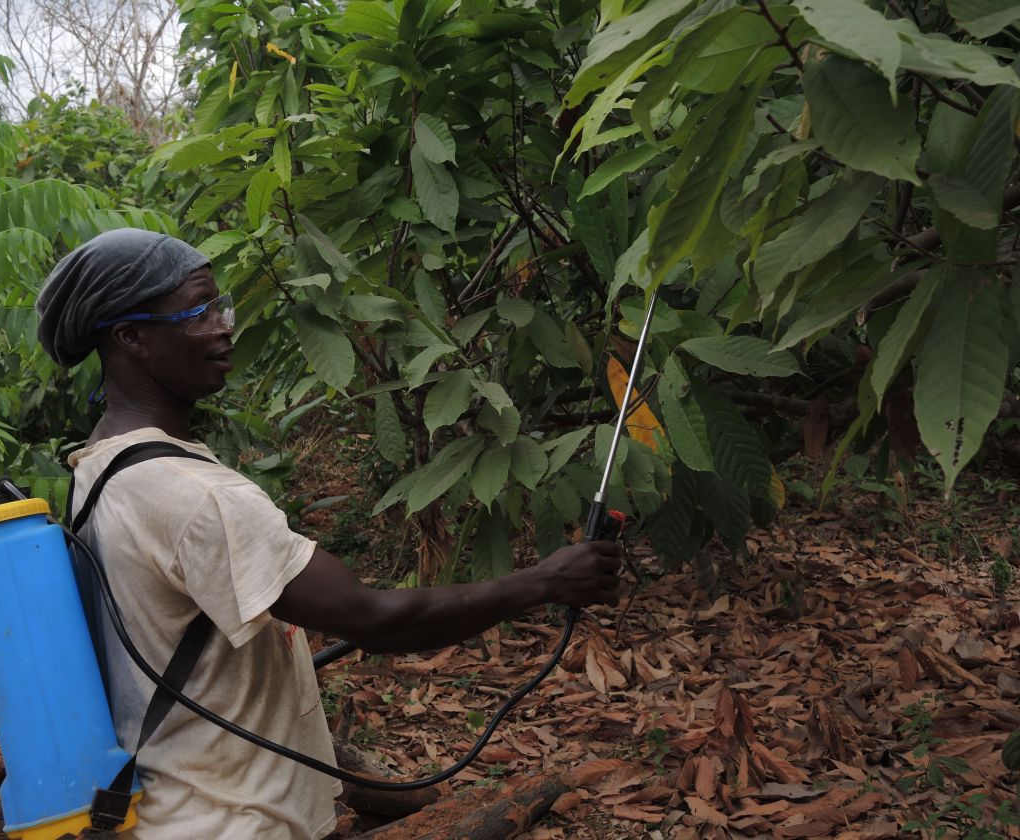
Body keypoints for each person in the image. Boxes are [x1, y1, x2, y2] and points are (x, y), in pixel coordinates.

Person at [35, 228, 621, 840]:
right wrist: (546, 581)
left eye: (220, 306)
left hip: (169, 812)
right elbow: (375, 618)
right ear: (131, 338)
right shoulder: (200, 496)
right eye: (198, 311)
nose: (223, 326)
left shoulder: (100, 469)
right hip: (230, 822)